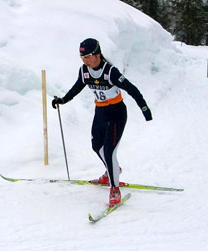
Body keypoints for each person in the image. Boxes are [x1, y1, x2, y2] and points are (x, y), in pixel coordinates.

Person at [52, 38, 152, 207]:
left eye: (88, 56)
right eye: (82, 57)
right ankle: (111, 171)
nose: (85, 60)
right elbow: (77, 88)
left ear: (98, 54)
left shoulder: (110, 71)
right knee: (96, 145)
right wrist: (62, 100)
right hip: (100, 112)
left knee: (109, 150)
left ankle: (114, 189)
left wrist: (144, 109)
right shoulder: (84, 71)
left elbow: (132, 89)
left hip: (117, 113)